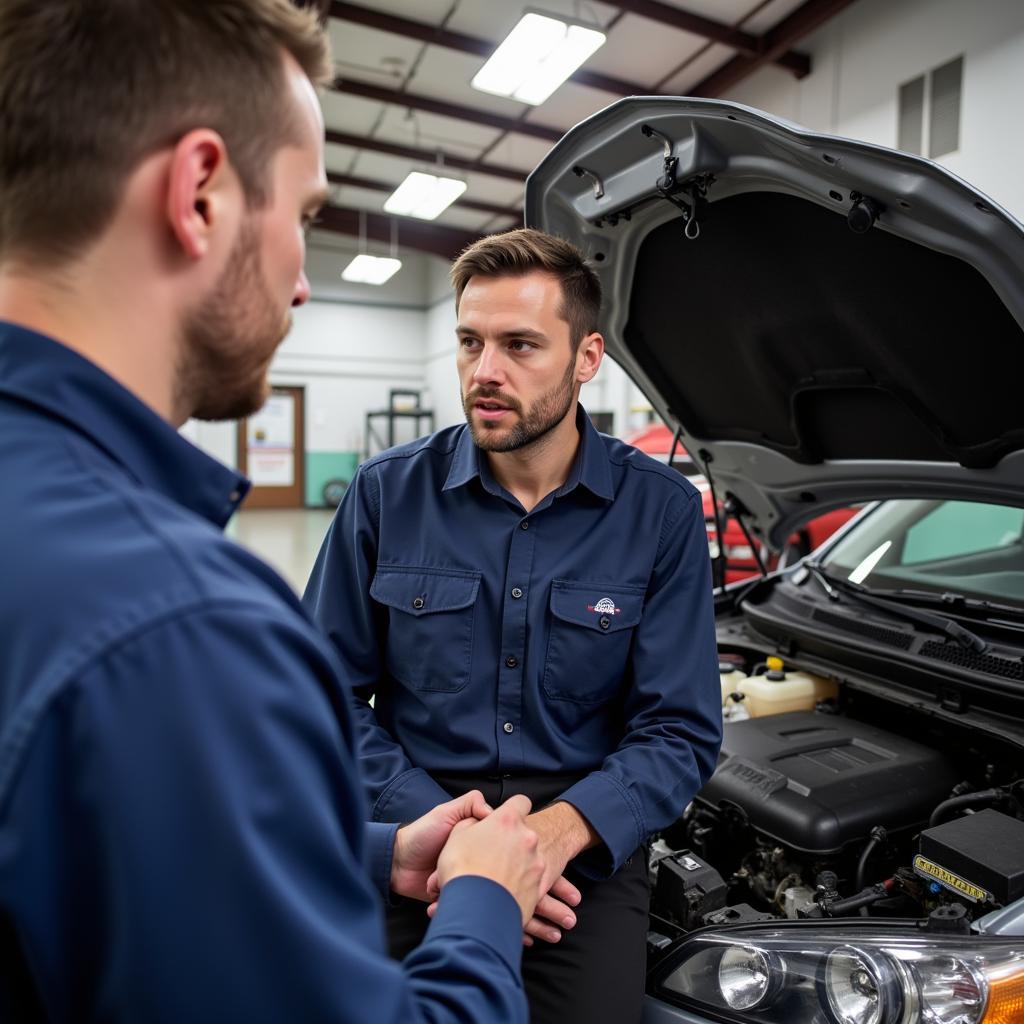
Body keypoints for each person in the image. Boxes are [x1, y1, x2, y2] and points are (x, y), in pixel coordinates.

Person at [0, 2, 547, 1020]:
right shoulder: (182, 629)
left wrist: (370, 850)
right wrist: (481, 901)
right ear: (200, 191)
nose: (301, 282)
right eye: (301, 215)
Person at [304, 227, 725, 1023]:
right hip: (415, 826)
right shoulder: (386, 496)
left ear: (587, 357)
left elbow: (680, 729)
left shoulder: (661, 513)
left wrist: (559, 836)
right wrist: (443, 834)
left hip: (582, 850)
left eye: (520, 345)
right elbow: (315, 696)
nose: (484, 373)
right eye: (469, 342)